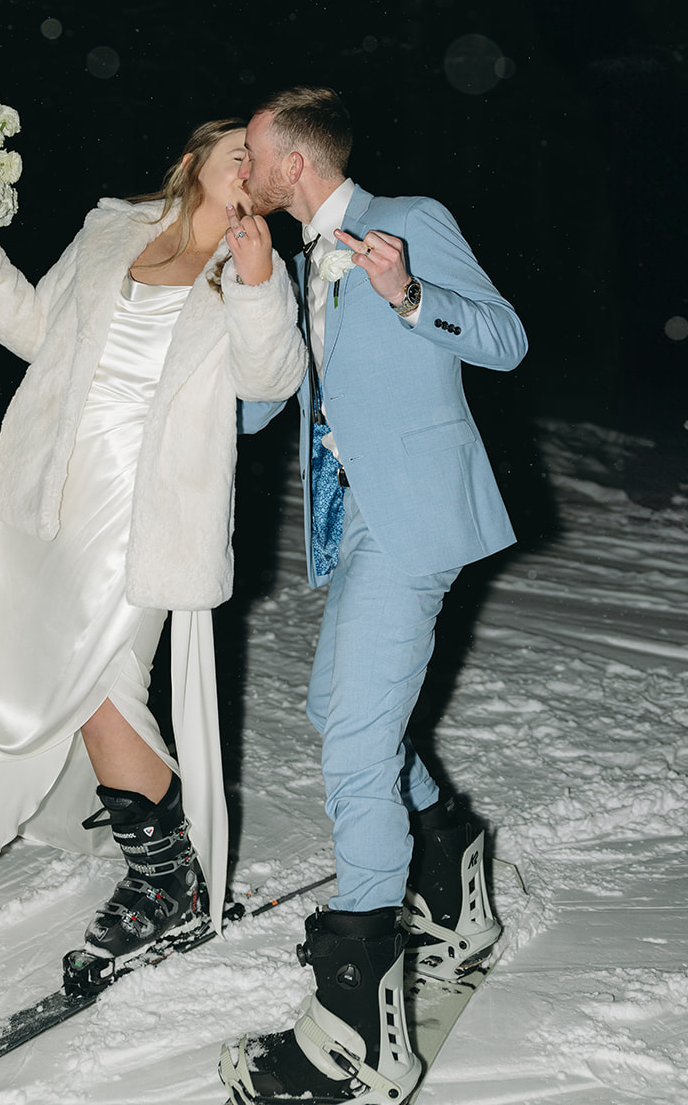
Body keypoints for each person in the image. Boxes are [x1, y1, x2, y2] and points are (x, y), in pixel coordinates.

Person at [0, 119, 306, 974]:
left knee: (104, 687)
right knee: (0, 655)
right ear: (191, 162)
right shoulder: (115, 228)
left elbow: (271, 381)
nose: (249, 167)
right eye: (235, 152)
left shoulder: (253, 268)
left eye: (258, 162)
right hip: (47, 479)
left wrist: (255, 282)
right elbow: (37, 326)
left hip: (146, 512)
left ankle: (165, 876)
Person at [220, 87, 528, 1105]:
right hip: (350, 525)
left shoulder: (407, 222)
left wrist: (407, 298)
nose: (245, 165)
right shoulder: (302, 257)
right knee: (334, 713)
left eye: (255, 151)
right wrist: (243, 294)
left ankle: (358, 1029)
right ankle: (450, 863)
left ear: (296, 160)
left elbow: (503, 338)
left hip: (414, 516)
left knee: (354, 747)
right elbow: (267, 403)